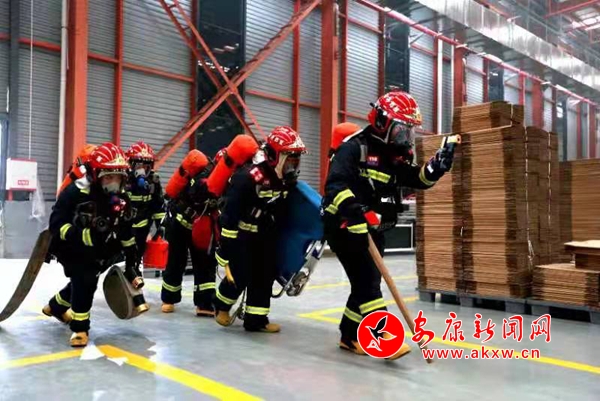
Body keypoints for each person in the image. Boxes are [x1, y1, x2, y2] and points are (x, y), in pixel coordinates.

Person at [321, 91, 455, 359]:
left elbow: (416, 179)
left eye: (409, 131)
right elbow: (335, 185)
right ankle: (384, 339)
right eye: (402, 130)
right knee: (367, 281)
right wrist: (357, 211)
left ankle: (349, 335)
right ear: (382, 121)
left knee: (367, 281)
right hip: (344, 226)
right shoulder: (354, 147)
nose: (406, 137)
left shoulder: (394, 155)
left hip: (374, 228)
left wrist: (436, 167)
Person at [43, 143, 139, 347]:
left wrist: (132, 256)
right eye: (109, 177)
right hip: (70, 247)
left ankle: (55, 306)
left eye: (118, 177)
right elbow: (56, 224)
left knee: (86, 280)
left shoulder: (121, 197)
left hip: (101, 248)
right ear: (95, 175)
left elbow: (125, 228)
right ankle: (79, 329)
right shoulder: (75, 192)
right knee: (85, 279)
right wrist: (81, 235)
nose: (114, 182)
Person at [213, 126, 307, 333]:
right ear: (274, 155)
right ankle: (221, 306)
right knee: (239, 274)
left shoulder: (284, 180)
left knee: (265, 275)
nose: (293, 165)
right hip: (242, 237)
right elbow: (230, 213)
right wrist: (226, 247)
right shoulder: (249, 177)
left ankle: (256, 319)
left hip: (266, 237)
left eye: (296, 160)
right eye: (289, 159)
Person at [159, 151, 218, 317]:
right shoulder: (202, 177)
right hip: (180, 222)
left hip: (200, 225)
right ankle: (169, 299)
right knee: (176, 261)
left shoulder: (220, 179)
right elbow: (196, 191)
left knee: (205, 262)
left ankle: (204, 303)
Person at [125, 141, 165, 261]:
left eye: (146, 166)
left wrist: (160, 227)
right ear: (130, 165)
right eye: (138, 166)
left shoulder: (153, 182)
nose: (142, 170)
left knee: (137, 260)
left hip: (142, 231)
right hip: (124, 229)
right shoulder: (122, 180)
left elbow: (158, 207)